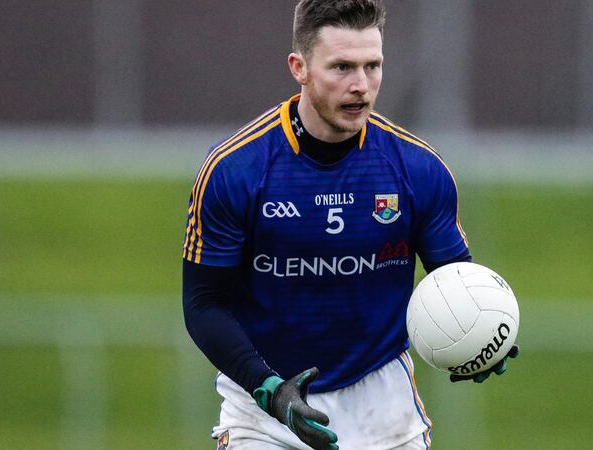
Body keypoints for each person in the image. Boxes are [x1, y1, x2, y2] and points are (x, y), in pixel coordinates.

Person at [182, 1, 518, 449]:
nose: (361, 86)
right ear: (299, 68)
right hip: (264, 406)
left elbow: (455, 284)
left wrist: (482, 330)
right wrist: (268, 389)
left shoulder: (418, 170)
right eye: (342, 67)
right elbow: (204, 304)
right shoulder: (234, 171)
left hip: (384, 407)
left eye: (372, 66)